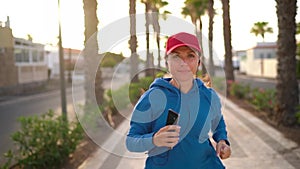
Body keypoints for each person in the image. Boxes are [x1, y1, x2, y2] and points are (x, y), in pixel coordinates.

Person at [126, 32, 231, 169]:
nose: (183, 63)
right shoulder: (153, 97)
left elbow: (218, 125)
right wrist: (154, 140)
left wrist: (222, 141)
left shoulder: (209, 96)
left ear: (198, 62)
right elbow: (131, 141)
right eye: (176, 57)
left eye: (190, 56)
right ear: (166, 62)